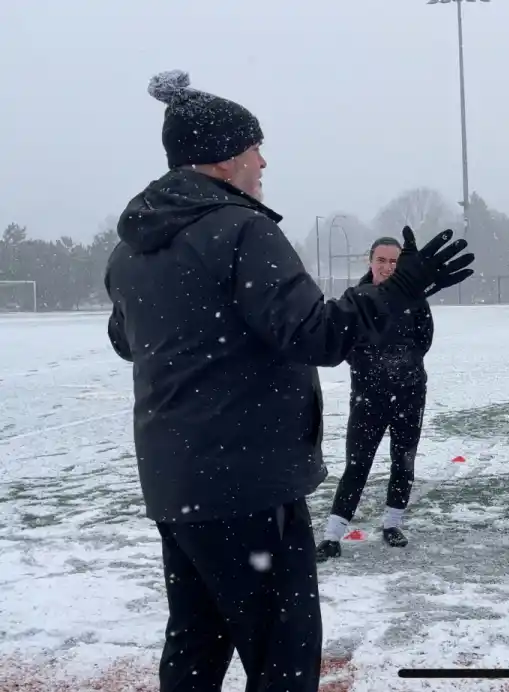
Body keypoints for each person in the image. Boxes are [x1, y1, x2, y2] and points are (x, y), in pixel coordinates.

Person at [104, 70, 473, 691]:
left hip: (178, 483)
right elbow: (319, 335)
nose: (263, 161)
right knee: (283, 654)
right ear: (224, 159)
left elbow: (127, 340)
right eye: (255, 149)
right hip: (247, 484)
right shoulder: (242, 229)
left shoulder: (133, 247)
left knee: (195, 644)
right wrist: (403, 287)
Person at [316, 235, 435, 561]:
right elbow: (344, 344)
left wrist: (402, 364)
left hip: (409, 395)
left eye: (393, 261)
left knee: (403, 461)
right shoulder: (356, 298)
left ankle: (392, 523)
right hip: (368, 397)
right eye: (381, 260)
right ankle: (333, 534)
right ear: (370, 262)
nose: (387, 267)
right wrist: (373, 362)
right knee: (357, 465)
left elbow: (424, 341)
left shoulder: (415, 300)